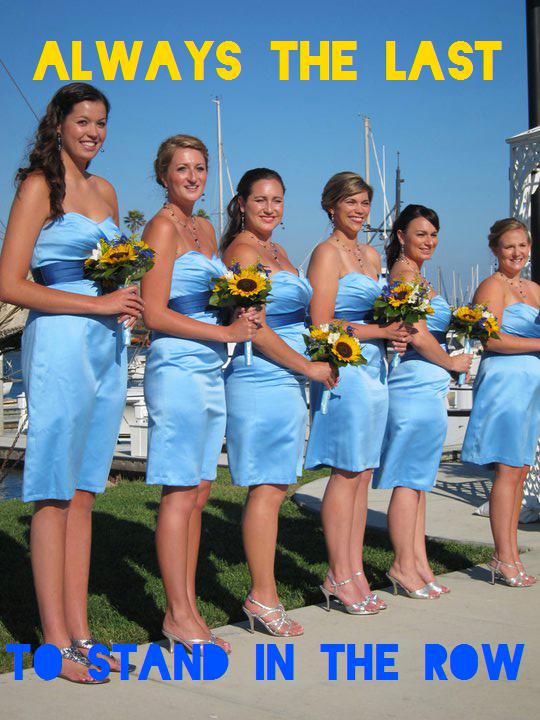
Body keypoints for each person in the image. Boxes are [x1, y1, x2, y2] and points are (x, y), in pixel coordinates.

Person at [0, 83, 144, 682]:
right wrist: (97, 304)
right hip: (60, 342)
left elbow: (117, 273)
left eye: (101, 123)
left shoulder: (106, 191)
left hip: (109, 347)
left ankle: (81, 632)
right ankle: (54, 643)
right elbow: (10, 283)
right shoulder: (39, 186)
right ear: (58, 123)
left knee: (85, 490)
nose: (93, 132)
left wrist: (125, 302)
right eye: (83, 121)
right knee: (53, 490)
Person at [141, 135, 258, 654]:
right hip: (177, 367)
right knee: (179, 490)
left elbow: (211, 299)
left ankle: (186, 607)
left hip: (211, 369)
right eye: (182, 168)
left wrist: (241, 310)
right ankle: (177, 614)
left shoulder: (206, 230)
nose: (192, 177)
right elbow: (153, 312)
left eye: (200, 168)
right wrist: (224, 332)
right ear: (163, 175)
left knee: (201, 491)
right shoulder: (161, 228)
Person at [221, 168, 335, 636]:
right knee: (266, 488)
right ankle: (262, 596)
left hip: (286, 376)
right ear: (242, 204)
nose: (270, 208)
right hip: (261, 376)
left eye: (277, 200)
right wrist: (307, 367)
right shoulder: (243, 252)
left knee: (277, 484)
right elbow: (254, 326)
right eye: (261, 200)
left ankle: (264, 594)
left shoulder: (278, 251)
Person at [305, 172, 409, 614]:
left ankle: (355, 570)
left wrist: (395, 332)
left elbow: (378, 314)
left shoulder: (371, 254)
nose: (359, 210)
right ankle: (338, 572)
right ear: (331, 206)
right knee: (346, 471)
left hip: (376, 373)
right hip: (346, 370)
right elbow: (321, 322)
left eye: (364, 202)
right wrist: (379, 331)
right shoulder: (326, 253)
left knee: (363, 473)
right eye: (350, 202)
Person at [372, 204, 472, 599]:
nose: (429, 241)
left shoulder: (419, 275)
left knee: (419, 481)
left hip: (428, 386)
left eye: (433, 234)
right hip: (413, 384)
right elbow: (415, 331)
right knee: (408, 480)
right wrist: (451, 363)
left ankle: (419, 562)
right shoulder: (404, 274)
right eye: (421, 234)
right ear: (401, 236)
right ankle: (402, 564)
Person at [462, 218, 540, 586]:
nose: (517, 252)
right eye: (509, 246)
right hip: (505, 385)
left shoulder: (533, 288)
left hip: (529, 388)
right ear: (495, 249)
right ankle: (504, 557)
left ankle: (507, 556)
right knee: (507, 471)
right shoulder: (491, 286)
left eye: (522, 245)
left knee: (520, 469)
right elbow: (489, 339)